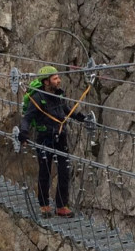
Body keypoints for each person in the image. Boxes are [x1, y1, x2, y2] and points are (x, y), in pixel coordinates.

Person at [19, 65, 88, 218]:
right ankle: (44, 205)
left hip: (60, 136)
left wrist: (83, 119)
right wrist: (24, 133)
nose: (59, 80)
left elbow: (68, 111)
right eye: (55, 78)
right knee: (45, 172)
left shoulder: (58, 95)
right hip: (44, 138)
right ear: (46, 82)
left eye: (58, 77)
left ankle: (61, 206)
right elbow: (27, 118)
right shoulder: (37, 98)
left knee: (64, 171)